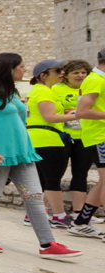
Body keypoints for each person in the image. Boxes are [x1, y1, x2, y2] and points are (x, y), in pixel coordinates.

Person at [0, 52, 80, 259]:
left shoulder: (12, 93)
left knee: (35, 197)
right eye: (21, 66)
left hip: (22, 153)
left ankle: (47, 244)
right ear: (9, 69)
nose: (24, 70)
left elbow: (20, 123)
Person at [26, 59, 77, 228]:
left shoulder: (37, 90)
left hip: (37, 137)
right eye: (57, 70)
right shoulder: (44, 92)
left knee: (41, 179)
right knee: (53, 179)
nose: (62, 73)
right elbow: (50, 117)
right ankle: (59, 215)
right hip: (48, 138)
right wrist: (78, 115)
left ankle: (34, 214)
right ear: (43, 75)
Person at [69, 48, 105, 238]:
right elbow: (82, 111)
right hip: (100, 136)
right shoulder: (95, 80)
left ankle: (81, 222)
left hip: (100, 136)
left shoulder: (98, 79)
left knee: (102, 182)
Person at [53, 60, 94, 219]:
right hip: (63, 136)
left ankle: (79, 212)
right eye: (76, 73)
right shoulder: (57, 89)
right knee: (56, 174)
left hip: (84, 136)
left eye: (83, 72)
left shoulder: (91, 89)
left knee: (81, 173)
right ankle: (48, 211)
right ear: (66, 75)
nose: (80, 75)